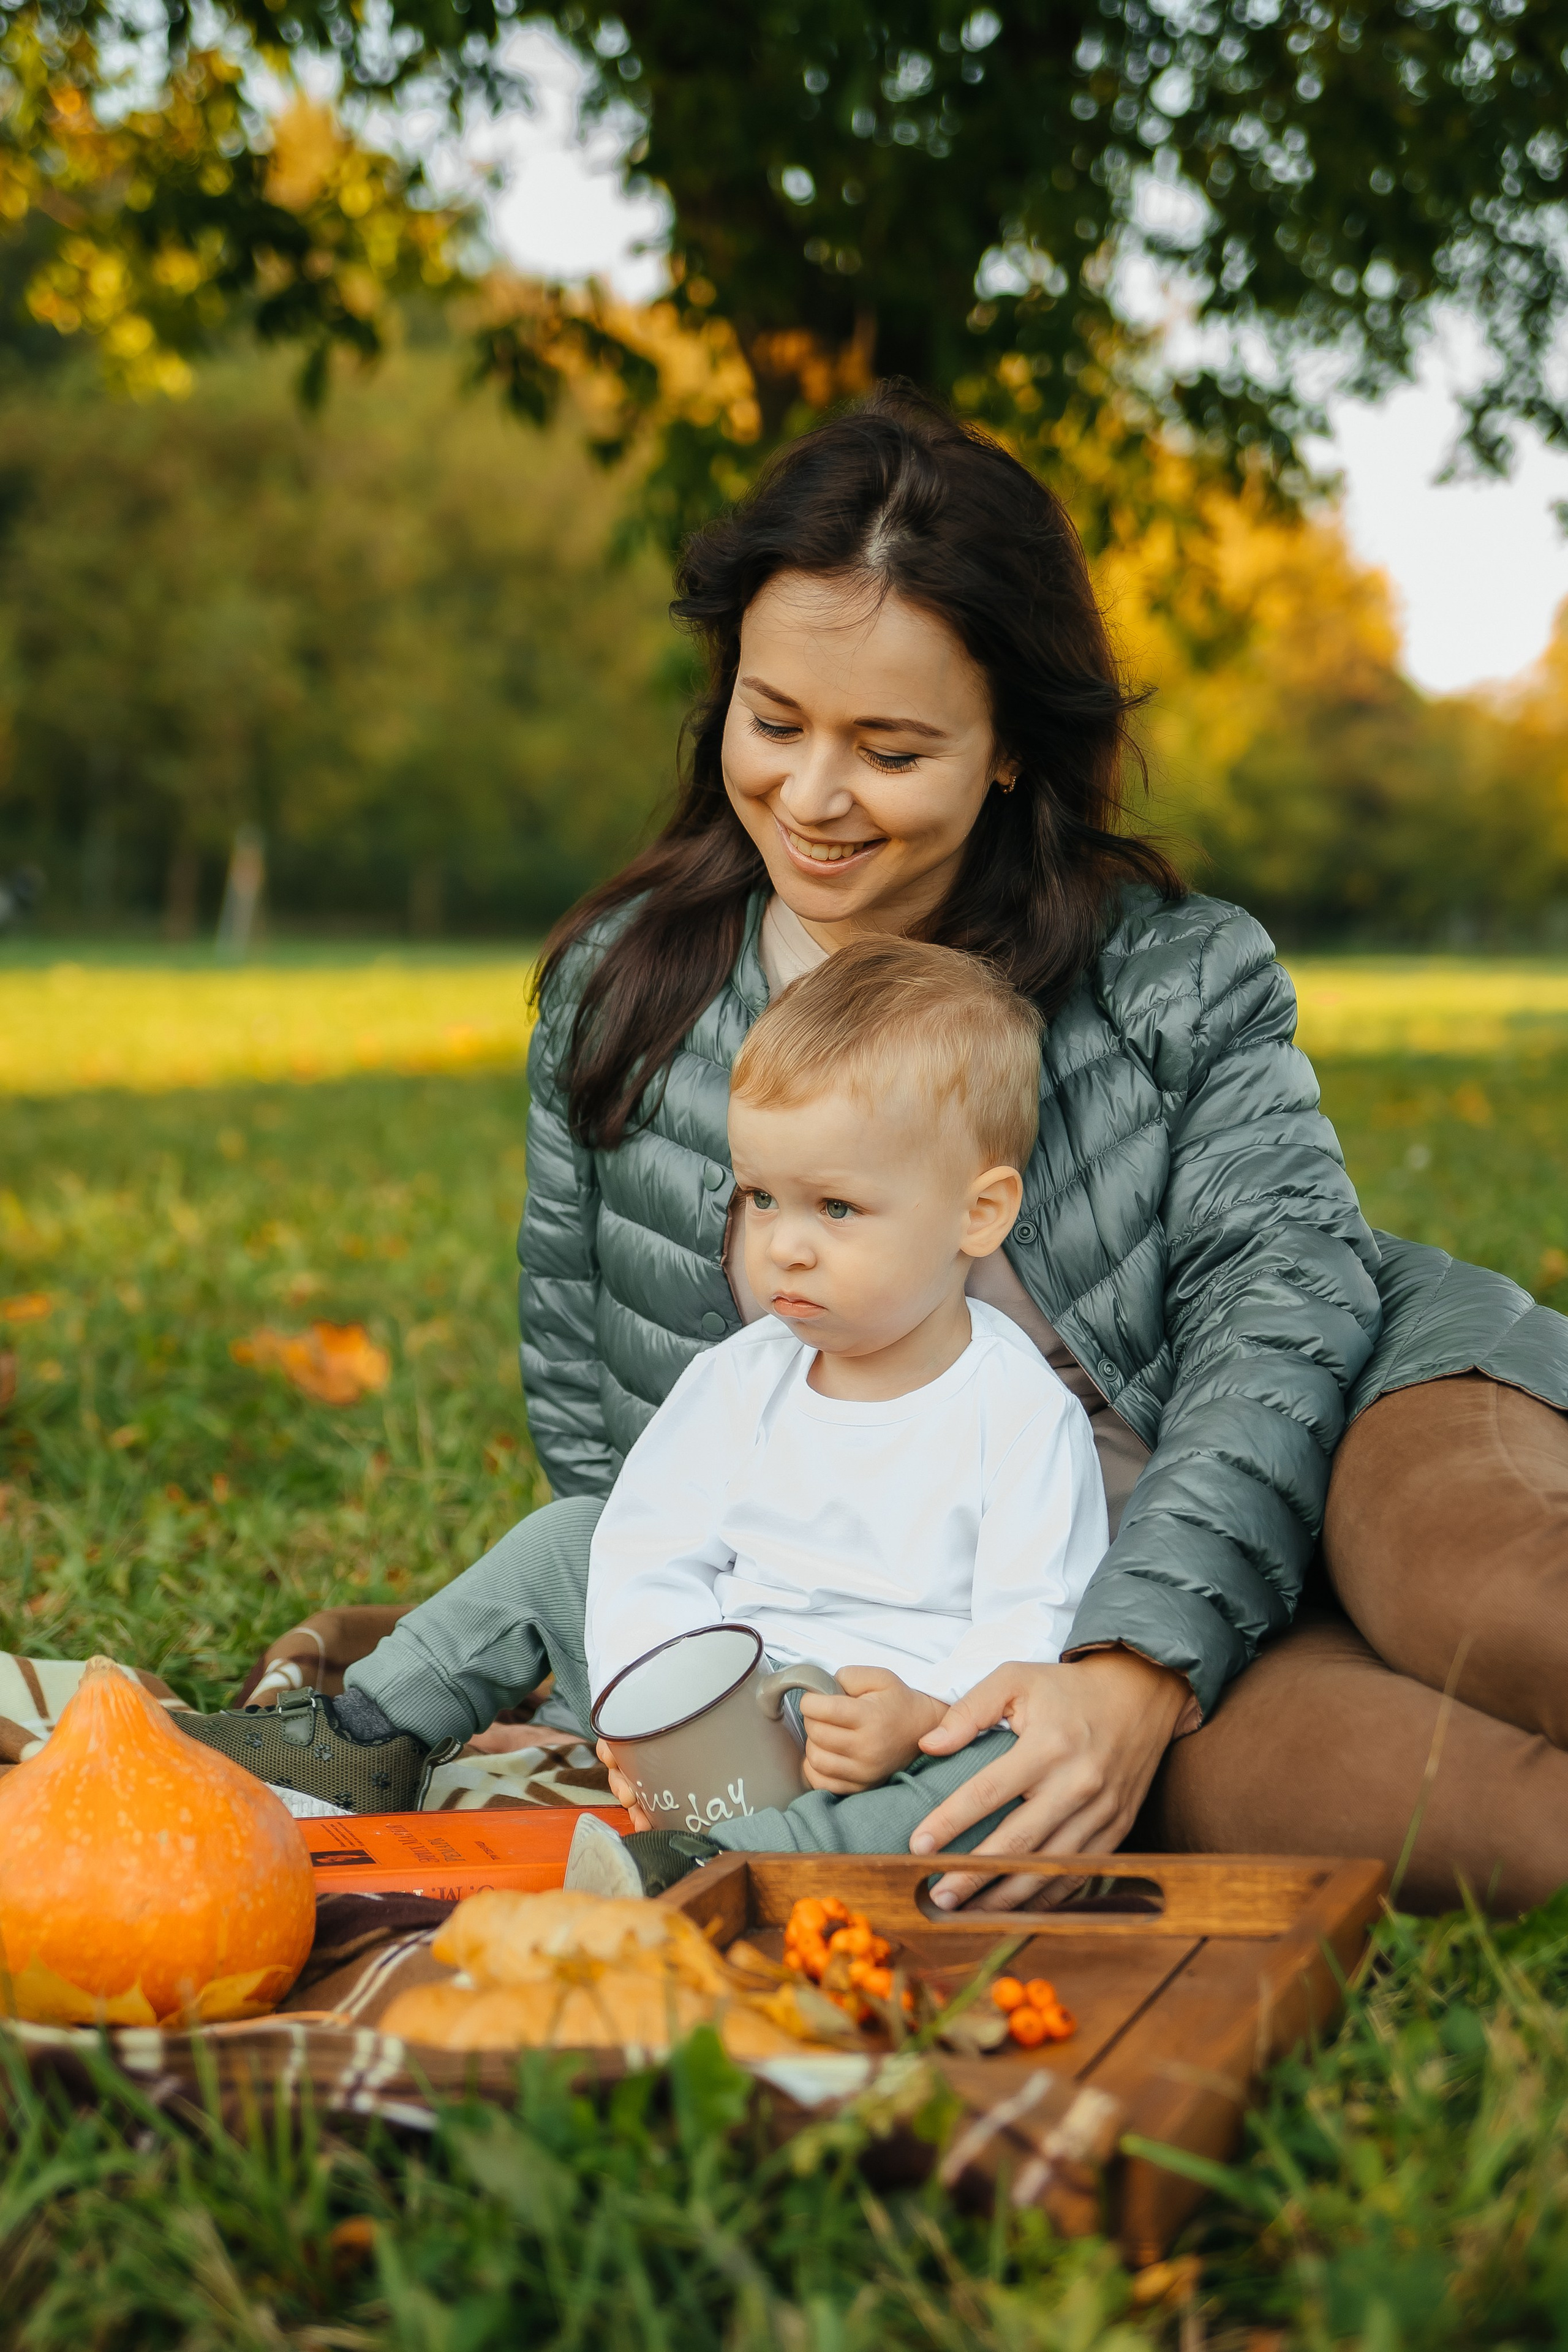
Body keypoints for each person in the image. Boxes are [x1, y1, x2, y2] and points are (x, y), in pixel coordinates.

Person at [200, 383, 1568, 1913]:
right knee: (1483, 1828)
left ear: (1003, 754)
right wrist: (819, 1695)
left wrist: (1132, 1662)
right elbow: (621, 1455)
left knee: (1507, 1610)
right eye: (773, 722)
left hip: (1349, 1422)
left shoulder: (1171, 976)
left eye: (891, 748)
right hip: (1007, 1650)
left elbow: (1283, 1308)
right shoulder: (623, 1000)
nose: (813, 794)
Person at [568, 938, 1109, 1893]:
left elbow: (1034, 1622)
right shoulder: (745, 1379)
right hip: (723, 1698)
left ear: (978, 1215)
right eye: (763, 1198)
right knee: (563, 1542)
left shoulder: (1016, 1411)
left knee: (1005, 1785)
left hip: (886, 1741)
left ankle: (719, 1868)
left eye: (838, 1209)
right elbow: (649, 1547)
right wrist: (652, 1699)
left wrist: (924, 1716)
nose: (784, 1247)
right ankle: (364, 1735)